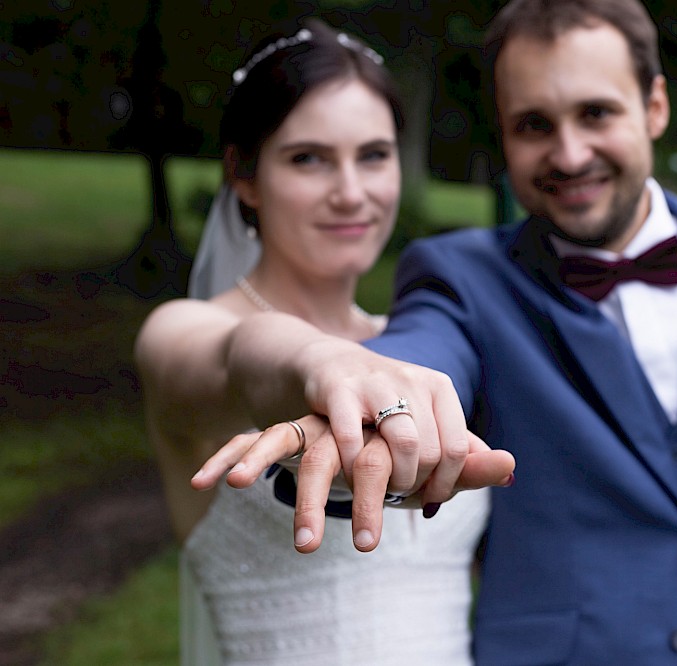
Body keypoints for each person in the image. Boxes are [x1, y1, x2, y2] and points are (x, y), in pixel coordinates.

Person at [194, 1, 677, 664]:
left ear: (655, 106)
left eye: (595, 113)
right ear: (503, 134)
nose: (570, 152)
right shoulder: (459, 276)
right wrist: (360, 405)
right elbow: (416, 355)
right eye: (533, 125)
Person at [134, 19, 513, 665]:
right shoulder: (183, 332)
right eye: (307, 158)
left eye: (373, 155)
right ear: (245, 175)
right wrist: (326, 359)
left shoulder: (426, 352)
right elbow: (245, 359)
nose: (350, 192)